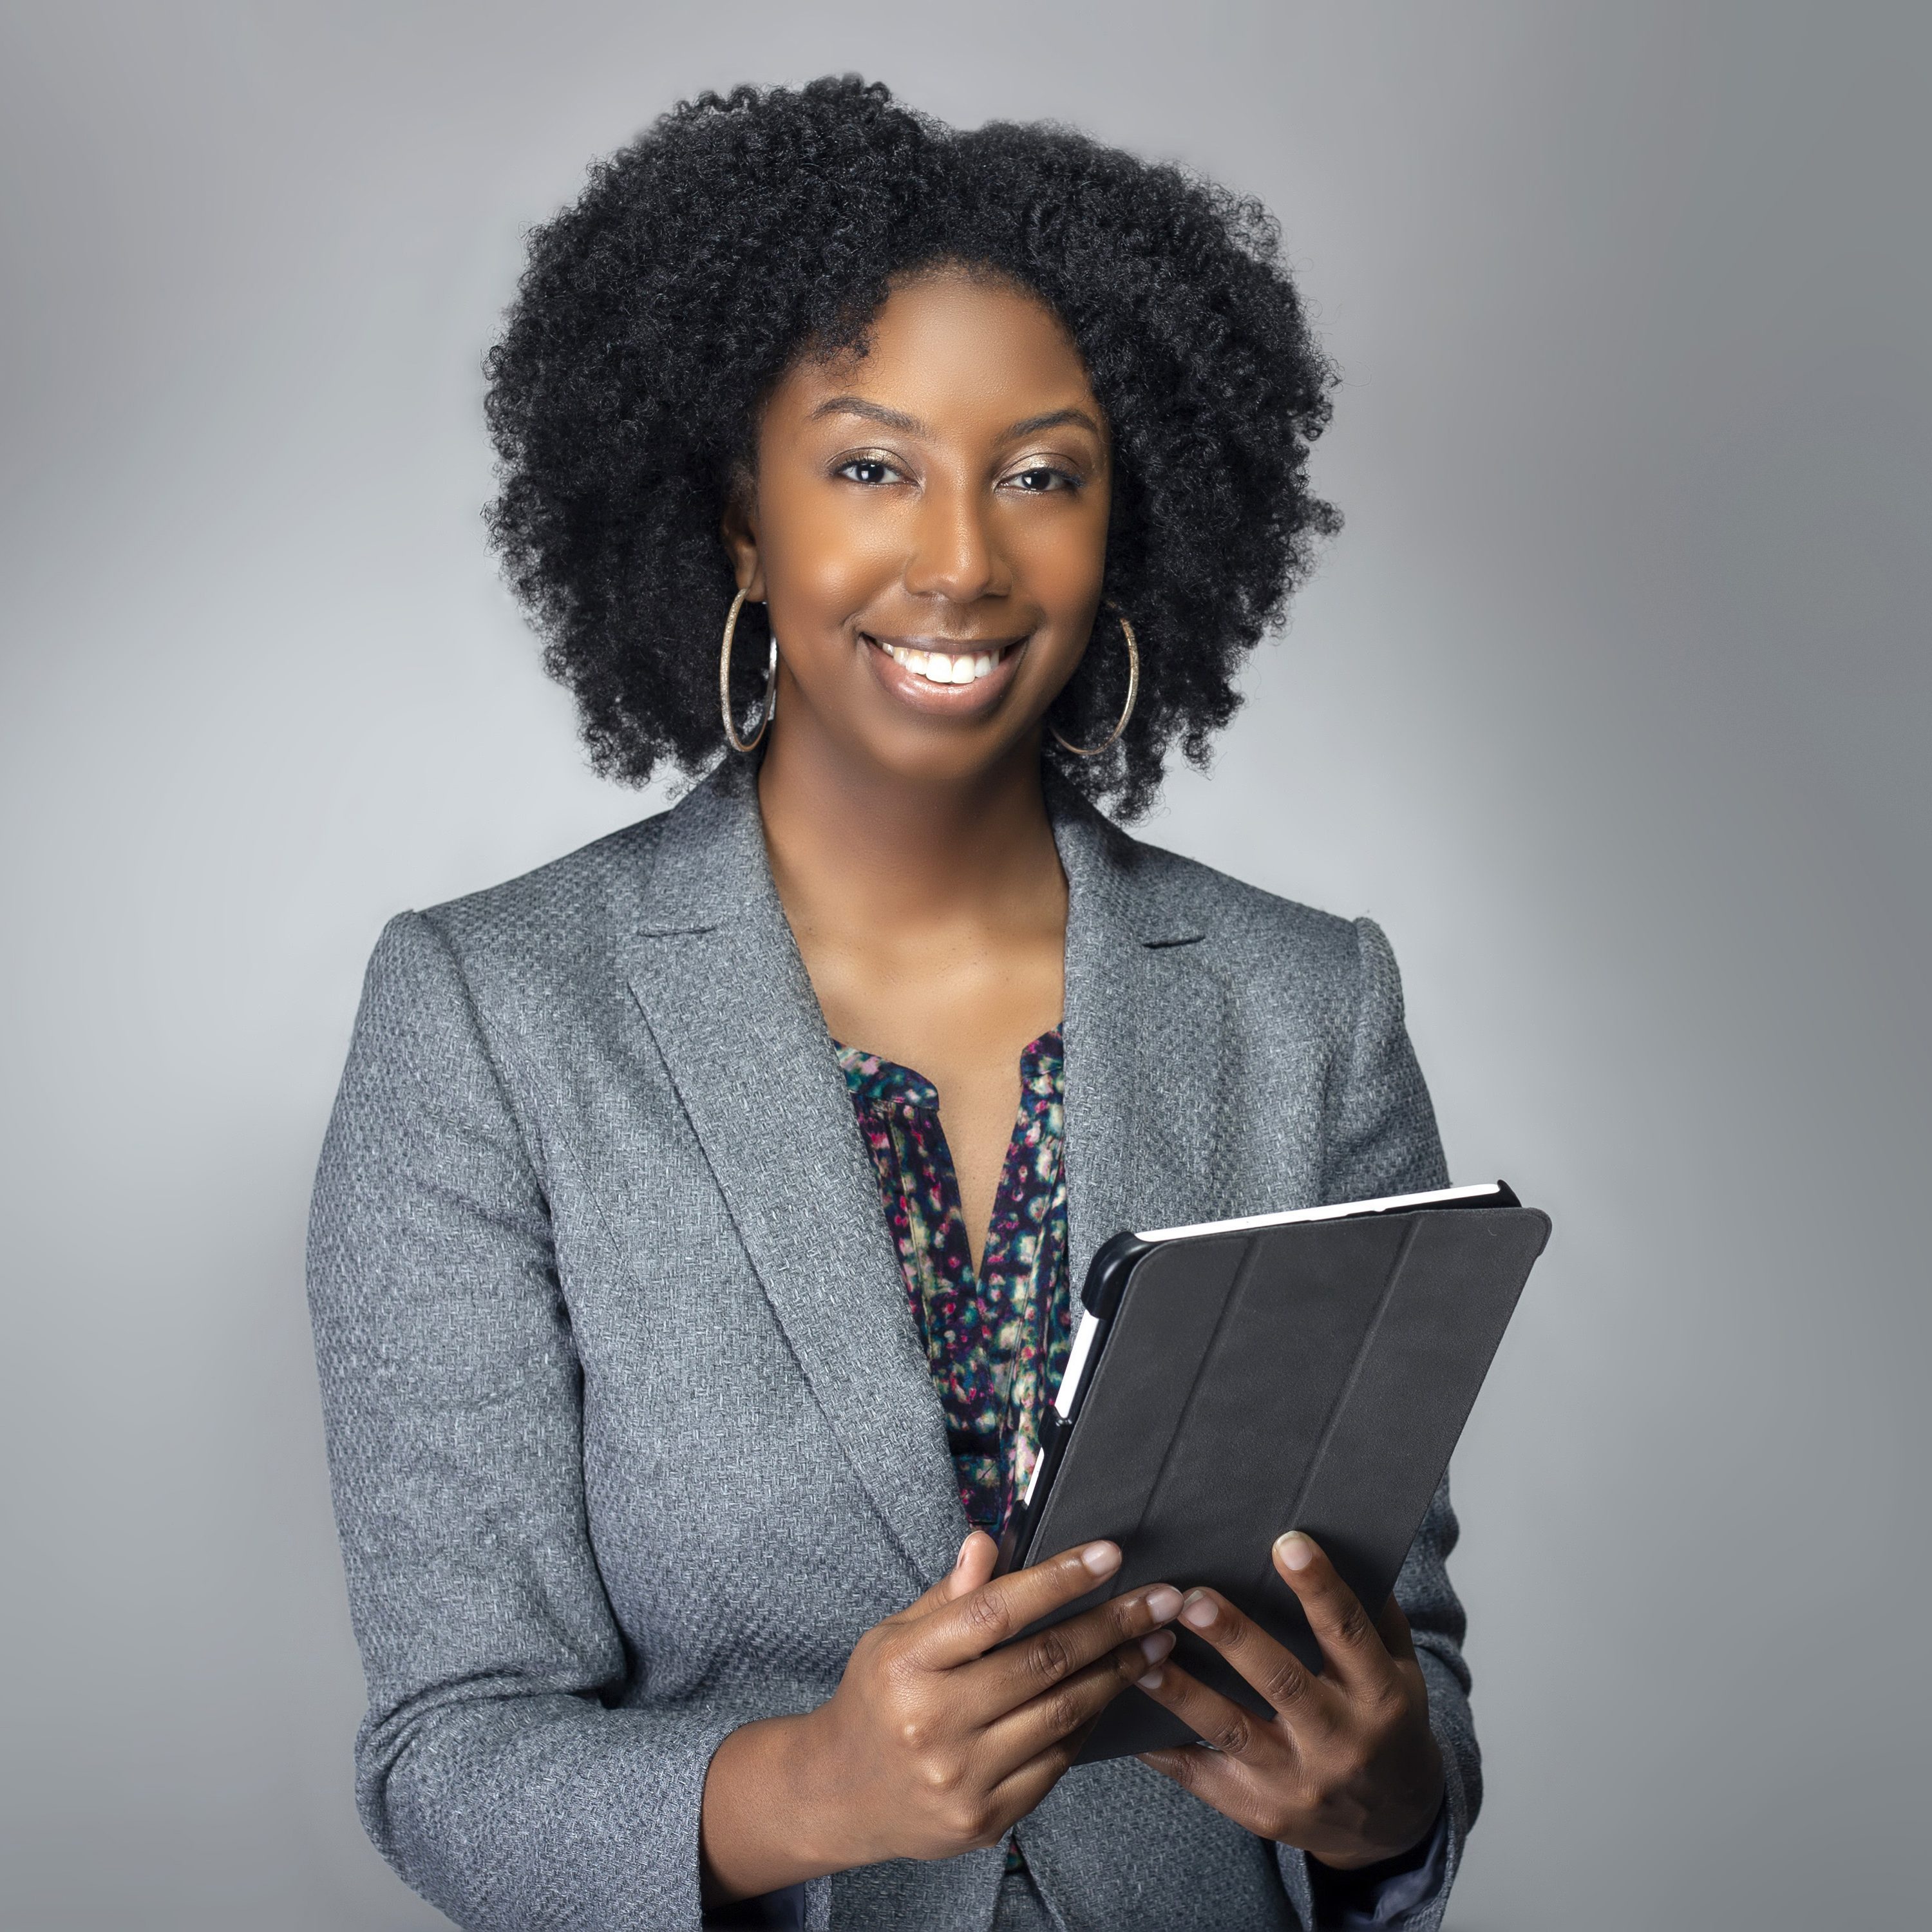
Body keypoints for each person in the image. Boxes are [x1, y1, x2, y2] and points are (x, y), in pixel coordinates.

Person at [308, 77, 1475, 1932]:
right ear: (739, 521)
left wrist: (1382, 1793)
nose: (960, 559)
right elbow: (448, 1755)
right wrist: (811, 1791)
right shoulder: (489, 1020)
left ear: (1128, 520)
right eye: (869, 466)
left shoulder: (1304, 1006)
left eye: (1041, 472)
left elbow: (1396, 1667)